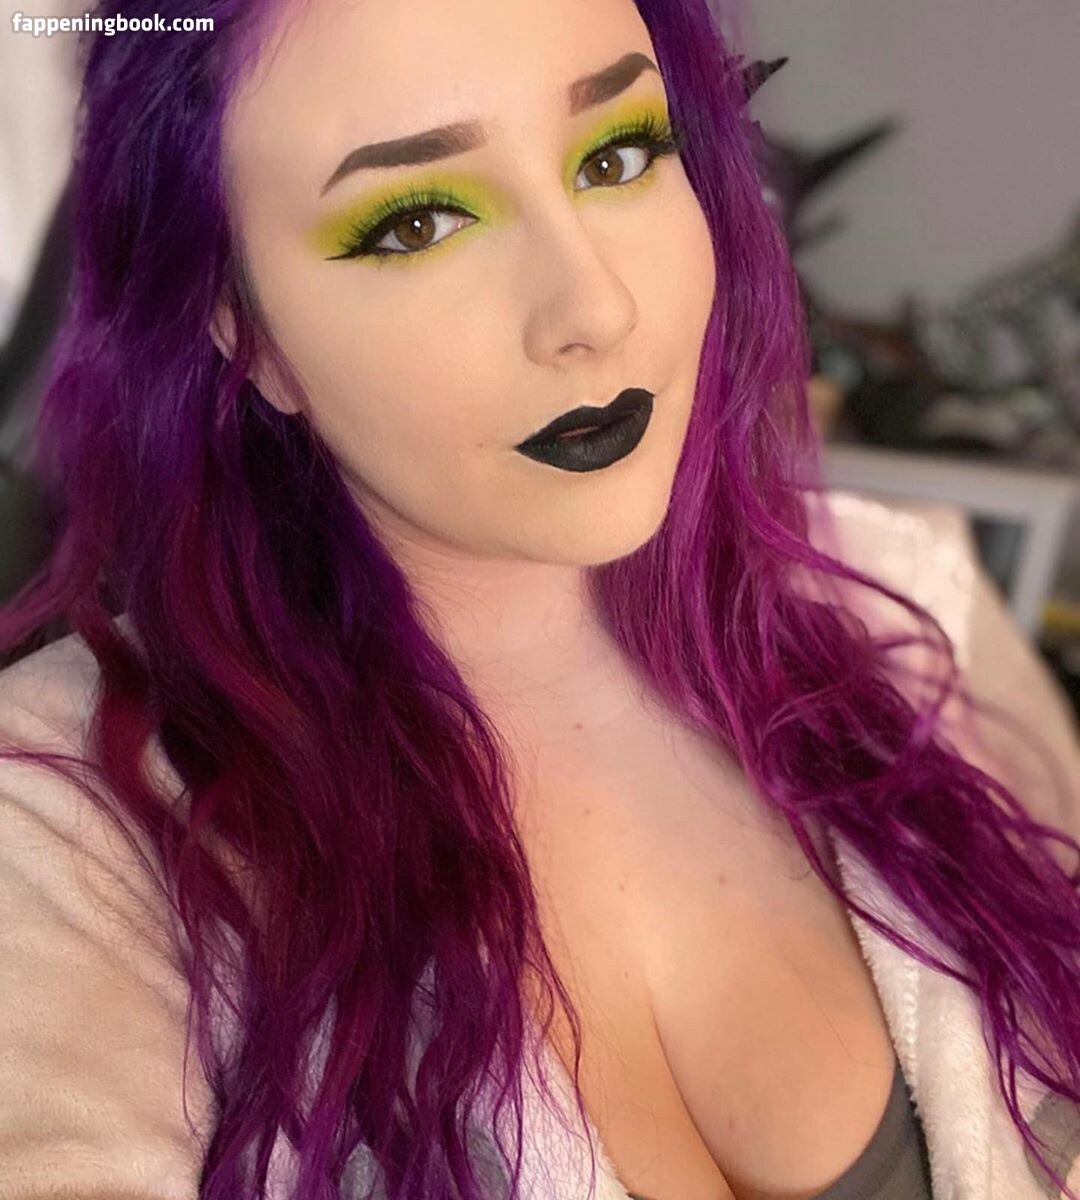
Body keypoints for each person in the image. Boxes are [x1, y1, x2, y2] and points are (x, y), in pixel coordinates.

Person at [0, 0, 1078, 1198]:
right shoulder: (63, 837)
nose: (593, 308)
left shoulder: (907, 617)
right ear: (240, 326)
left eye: (618, 155)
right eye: (416, 222)